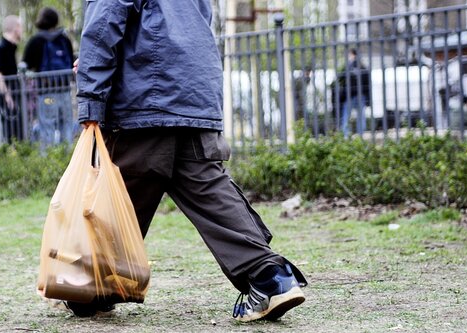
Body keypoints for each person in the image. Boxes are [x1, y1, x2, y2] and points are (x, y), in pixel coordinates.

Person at [72, 0, 307, 322]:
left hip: (143, 104)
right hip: (194, 97)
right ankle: (269, 277)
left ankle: (90, 289)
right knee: (208, 189)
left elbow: (103, 28)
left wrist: (91, 99)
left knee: (120, 197)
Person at [23, 7, 75, 148]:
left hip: (47, 95)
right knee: (66, 123)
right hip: (64, 92)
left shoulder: (35, 41)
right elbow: (71, 61)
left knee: (47, 124)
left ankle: (49, 159)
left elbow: (26, 66)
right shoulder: (64, 40)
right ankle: (68, 157)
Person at [0, 15, 24, 142]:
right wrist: (8, 97)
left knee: (18, 133)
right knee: (12, 134)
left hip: (13, 97)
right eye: (20, 28)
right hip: (9, 99)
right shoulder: (0, 48)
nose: (22, 31)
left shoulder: (10, 48)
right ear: (15, 29)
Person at [336, 49, 371, 138]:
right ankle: (361, 135)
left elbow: (340, 79)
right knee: (360, 117)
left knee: (346, 116)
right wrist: (368, 99)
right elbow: (367, 84)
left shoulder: (348, 66)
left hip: (350, 95)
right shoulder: (363, 66)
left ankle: (346, 135)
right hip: (359, 95)